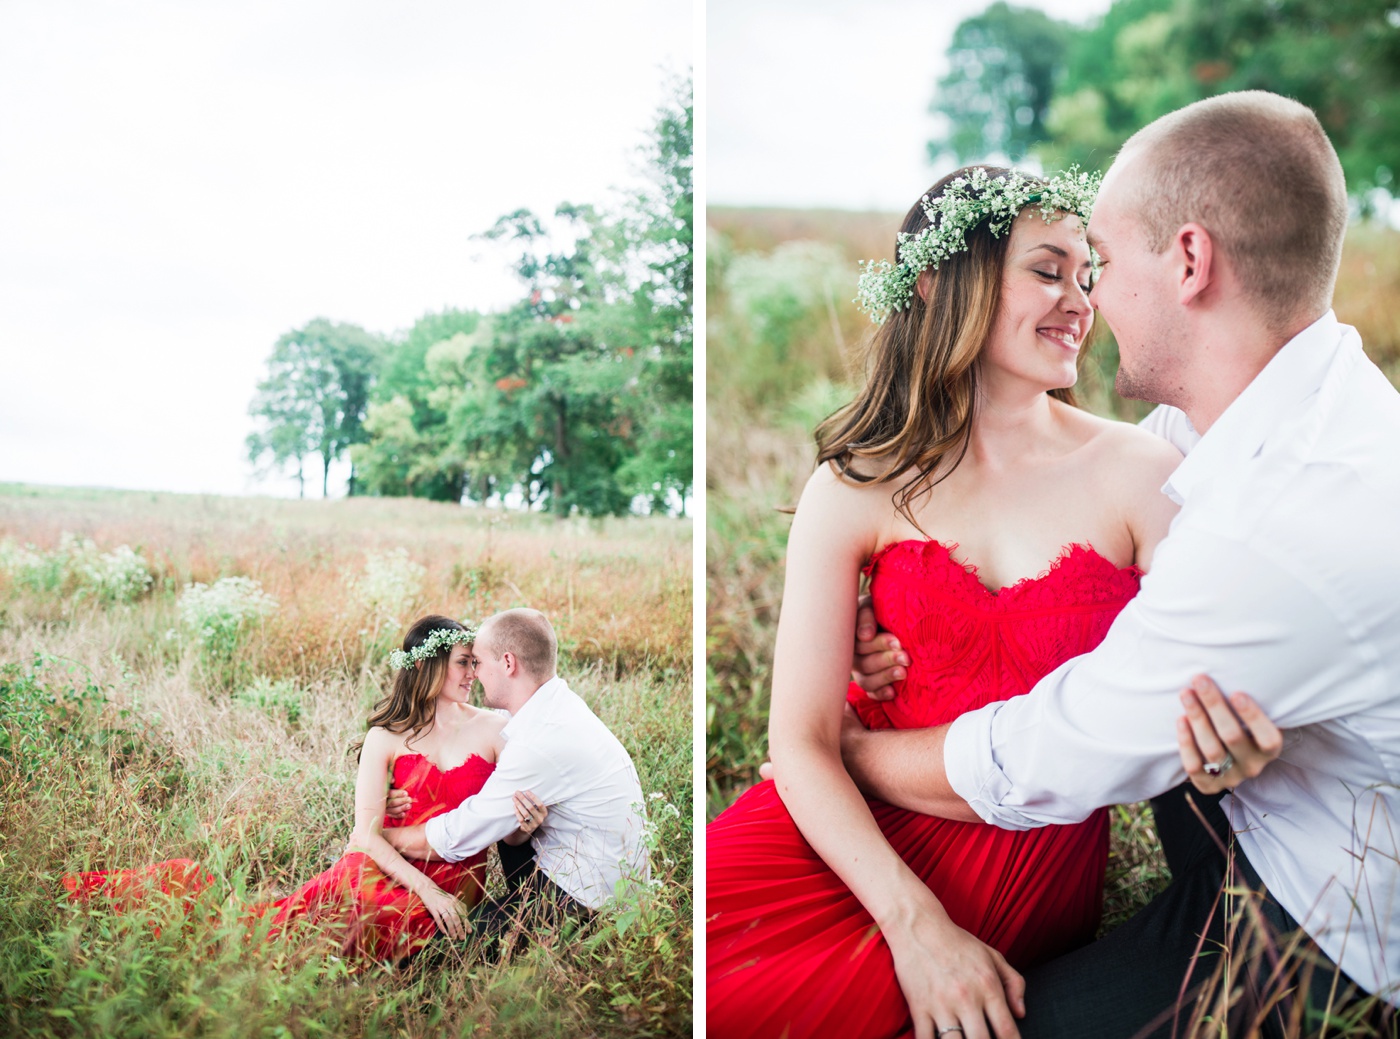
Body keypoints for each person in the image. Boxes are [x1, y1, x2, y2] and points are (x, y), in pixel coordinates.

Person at [843, 91, 1400, 1037]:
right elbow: (1083, 511)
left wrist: (851, 753)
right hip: (1253, 797)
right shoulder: (1262, 409)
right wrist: (905, 589)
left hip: (1330, 918)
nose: (1088, 297)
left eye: (1098, 259)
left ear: (1189, 261)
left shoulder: (1286, 520)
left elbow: (1046, 759)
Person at [707, 162, 1205, 1039]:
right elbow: (801, 743)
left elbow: (1189, 686)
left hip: (1021, 866)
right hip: (841, 848)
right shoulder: (855, 487)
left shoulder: (1141, 473)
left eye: (1088, 276)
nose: (1080, 301)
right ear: (940, 284)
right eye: (1048, 269)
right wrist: (913, 924)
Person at [61, 614, 549, 962]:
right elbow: (365, 835)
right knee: (313, 919)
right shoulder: (386, 737)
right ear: (428, 666)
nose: (474, 673)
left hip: (459, 875)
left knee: (391, 919)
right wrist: (423, 885)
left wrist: (523, 833)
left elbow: (503, 828)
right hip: (389, 865)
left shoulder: (494, 728)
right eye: (464, 662)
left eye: (475, 663)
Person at [382, 608, 649, 948]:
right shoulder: (553, 707)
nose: (473, 674)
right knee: (510, 815)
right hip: (584, 870)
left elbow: (461, 834)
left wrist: (382, 838)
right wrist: (410, 786)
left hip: (588, 900)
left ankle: (533, 933)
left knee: (437, 949)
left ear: (507, 664)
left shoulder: (541, 740)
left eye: (476, 662)